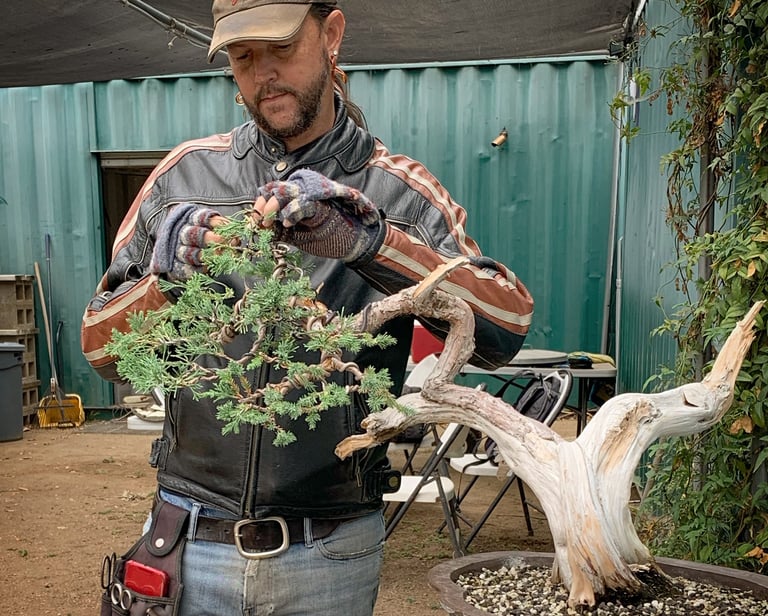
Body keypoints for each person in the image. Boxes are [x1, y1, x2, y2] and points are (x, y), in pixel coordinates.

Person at [81, 1, 534, 614]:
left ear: (332, 35)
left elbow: (505, 327)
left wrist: (374, 243)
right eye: (243, 57)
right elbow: (101, 351)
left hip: (331, 552)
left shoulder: (399, 190)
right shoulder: (182, 177)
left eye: (281, 49)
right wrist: (167, 282)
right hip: (189, 539)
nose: (263, 73)